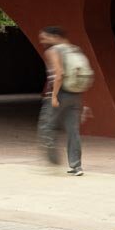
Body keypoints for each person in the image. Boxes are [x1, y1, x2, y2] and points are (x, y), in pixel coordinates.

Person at [37, 25, 84, 176]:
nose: (43, 40)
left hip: (60, 93)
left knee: (46, 127)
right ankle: (76, 166)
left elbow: (59, 73)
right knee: (73, 131)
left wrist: (54, 96)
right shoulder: (74, 49)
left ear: (54, 37)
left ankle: (53, 158)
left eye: (45, 37)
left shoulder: (53, 51)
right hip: (75, 94)